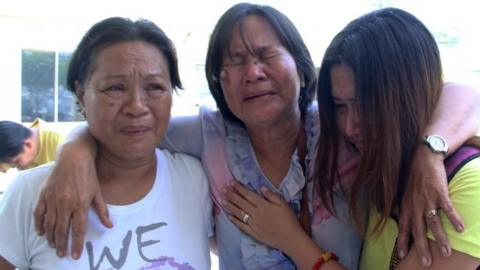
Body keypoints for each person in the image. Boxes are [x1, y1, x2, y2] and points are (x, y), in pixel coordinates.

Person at [33, 3, 480, 270]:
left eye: (267, 54)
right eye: (233, 61)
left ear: (300, 66)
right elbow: (133, 122)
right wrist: (75, 151)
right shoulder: (206, 135)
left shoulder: (343, 123)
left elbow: (459, 93)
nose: (252, 72)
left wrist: (429, 149)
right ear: (219, 81)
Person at [223, 7, 480, 269]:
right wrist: (428, 150)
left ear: (408, 91)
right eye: (339, 106)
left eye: (366, 104)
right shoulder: (382, 167)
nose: (350, 126)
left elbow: (464, 94)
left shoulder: (469, 185)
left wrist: (288, 237)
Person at [0, 17, 213, 270]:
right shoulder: (31, 193)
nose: (136, 106)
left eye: (155, 87)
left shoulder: (196, 177)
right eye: (115, 87)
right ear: (81, 96)